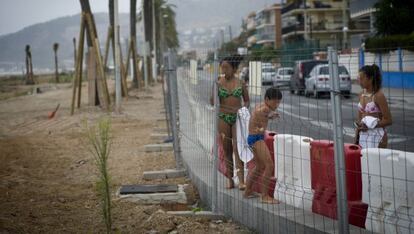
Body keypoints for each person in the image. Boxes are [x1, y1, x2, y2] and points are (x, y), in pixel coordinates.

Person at [211, 55, 250, 190]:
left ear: (233, 68)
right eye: (222, 67)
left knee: (238, 148)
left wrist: (244, 110)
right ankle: (230, 180)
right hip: (223, 118)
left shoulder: (240, 82)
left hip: (237, 118)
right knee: (227, 150)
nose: (224, 70)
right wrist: (214, 87)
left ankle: (241, 180)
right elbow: (212, 102)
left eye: (226, 67)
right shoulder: (219, 82)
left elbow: (247, 100)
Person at [244, 87, 282, 204]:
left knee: (259, 167)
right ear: (267, 99)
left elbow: (259, 114)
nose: (277, 104)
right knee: (269, 165)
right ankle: (264, 196)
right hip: (257, 138)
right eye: (275, 101)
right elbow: (262, 112)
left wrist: (269, 116)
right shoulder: (265, 108)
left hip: (253, 138)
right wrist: (268, 115)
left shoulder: (262, 106)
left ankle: (248, 191)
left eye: (278, 102)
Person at [355, 64, 392, 148]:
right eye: (358, 78)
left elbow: (388, 120)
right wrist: (356, 139)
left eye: (362, 78)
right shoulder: (361, 94)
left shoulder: (378, 96)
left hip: (378, 137)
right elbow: (360, 120)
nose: (359, 81)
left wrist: (370, 125)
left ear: (370, 79)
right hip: (363, 138)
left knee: (376, 160)